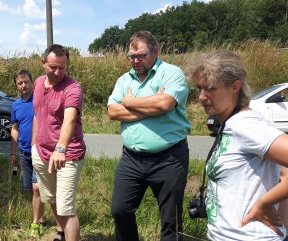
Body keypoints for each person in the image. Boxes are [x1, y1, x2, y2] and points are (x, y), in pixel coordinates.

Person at [187, 50, 288, 240]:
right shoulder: (229, 123)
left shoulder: (246, 125)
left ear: (235, 87)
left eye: (210, 88)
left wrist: (265, 204)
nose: (201, 96)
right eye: (199, 88)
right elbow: (284, 172)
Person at [107, 31, 191, 241]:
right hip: (131, 159)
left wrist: (129, 102)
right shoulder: (124, 80)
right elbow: (112, 112)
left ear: (156, 51)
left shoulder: (172, 73)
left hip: (169, 158)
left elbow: (165, 104)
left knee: (171, 219)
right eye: (131, 56)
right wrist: (153, 105)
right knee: (120, 209)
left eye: (141, 55)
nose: (135, 61)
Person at [31, 44, 86, 241]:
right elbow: (38, 113)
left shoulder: (72, 88)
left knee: (66, 207)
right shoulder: (37, 83)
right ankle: (62, 234)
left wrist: (60, 149)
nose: (57, 72)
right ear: (43, 62)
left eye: (62, 68)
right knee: (51, 198)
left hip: (67, 154)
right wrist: (33, 145)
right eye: (53, 67)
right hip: (41, 153)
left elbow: (70, 118)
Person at [10, 69, 46, 237]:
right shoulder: (16, 105)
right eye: (20, 83)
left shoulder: (39, 100)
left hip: (39, 151)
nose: (24, 86)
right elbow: (14, 129)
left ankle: (35, 223)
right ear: (16, 86)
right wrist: (13, 154)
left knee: (37, 188)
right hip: (24, 154)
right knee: (31, 189)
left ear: (33, 83)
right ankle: (41, 216)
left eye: (26, 82)